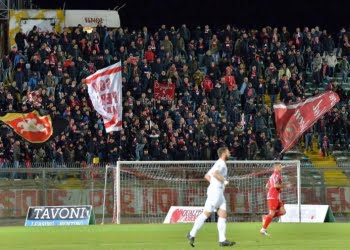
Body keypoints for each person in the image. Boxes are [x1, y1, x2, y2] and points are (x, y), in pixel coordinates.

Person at [187, 147, 235, 247]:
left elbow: (207, 176)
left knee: (222, 214)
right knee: (207, 214)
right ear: (223, 153)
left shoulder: (218, 163)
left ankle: (221, 240)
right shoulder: (221, 163)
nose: (229, 153)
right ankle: (192, 234)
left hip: (217, 192)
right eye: (228, 152)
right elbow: (215, 174)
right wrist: (223, 181)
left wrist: (215, 183)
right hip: (216, 192)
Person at [260, 162, 290, 236]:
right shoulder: (277, 175)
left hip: (274, 196)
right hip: (273, 197)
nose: (281, 167)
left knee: (283, 211)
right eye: (280, 166)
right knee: (272, 213)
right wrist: (285, 186)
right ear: (276, 167)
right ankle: (263, 229)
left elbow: (267, 186)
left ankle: (266, 217)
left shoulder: (272, 176)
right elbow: (276, 185)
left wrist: (275, 190)